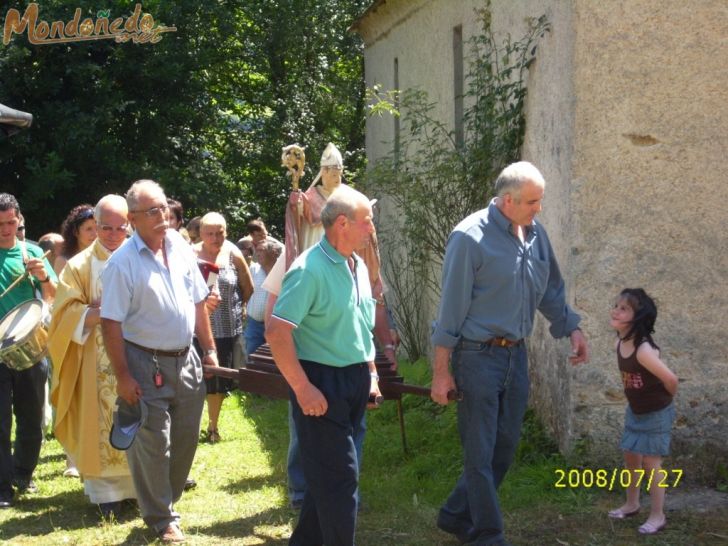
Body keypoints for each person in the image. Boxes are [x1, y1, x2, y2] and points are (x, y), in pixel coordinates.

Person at [430, 161, 589, 546]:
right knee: (480, 451)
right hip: (476, 357)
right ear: (506, 201)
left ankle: (455, 513)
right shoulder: (469, 238)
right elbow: (450, 310)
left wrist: (571, 327)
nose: (539, 209)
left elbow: (550, 289)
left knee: (504, 447)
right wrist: (441, 370)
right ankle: (488, 534)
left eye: (540, 201)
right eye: (532, 202)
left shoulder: (536, 236)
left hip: (515, 357)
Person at [100, 180, 218, 542]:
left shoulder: (180, 247)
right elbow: (110, 322)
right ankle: (162, 517)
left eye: (164, 207)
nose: (163, 216)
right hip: (142, 361)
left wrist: (210, 349)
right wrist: (123, 375)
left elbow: (198, 302)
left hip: (187, 360)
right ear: (133, 219)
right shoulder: (122, 263)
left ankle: (165, 500)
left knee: (185, 439)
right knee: (153, 442)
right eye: (152, 211)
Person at [266, 185, 381, 546]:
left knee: (327, 479)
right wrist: (302, 388)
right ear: (342, 223)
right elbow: (276, 331)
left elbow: (362, 325)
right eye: (367, 222)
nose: (372, 230)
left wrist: (372, 374)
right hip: (321, 382)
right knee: (341, 478)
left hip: (355, 379)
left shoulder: (358, 264)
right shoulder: (308, 269)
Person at [48, 195, 136, 519]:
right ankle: (106, 493)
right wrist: (99, 313)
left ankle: (138, 488)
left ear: (129, 225)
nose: (113, 235)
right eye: (105, 228)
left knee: (136, 415)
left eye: (120, 228)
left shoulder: (140, 258)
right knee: (101, 419)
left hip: (136, 354)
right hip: (94, 359)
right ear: (94, 226)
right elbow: (64, 313)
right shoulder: (79, 265)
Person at [0, 193, 57, 508]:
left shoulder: (31, 251)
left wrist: (44, 275)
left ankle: (23, 473)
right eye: (0, 225)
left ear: (19, 220)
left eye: (11, 223)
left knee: (32, 417)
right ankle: (2, 485)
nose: (6, 230)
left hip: (31, 345)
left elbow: (54, 295)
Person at [607, 288, 677, 535]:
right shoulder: (619, 342)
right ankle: (632, 503)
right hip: (635, 411)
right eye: (615, 305)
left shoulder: (644, 350)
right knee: (631, 456)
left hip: (656, 412)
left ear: (638, 318)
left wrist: (665, 400)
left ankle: (658, 515)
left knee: (651, 462)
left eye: (623, 308)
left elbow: (671, 379)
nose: (615, 310)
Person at [193, 212, 253, 442]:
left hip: (227, 328)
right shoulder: (191, 254)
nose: (216, 238)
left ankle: (213, 426)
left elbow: (248, 287)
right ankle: (192, 424)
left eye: (220, 233)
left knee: (218, 381)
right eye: (210, 233)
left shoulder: (233, 253)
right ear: (201, 233)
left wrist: (237, 309)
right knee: (196, 378)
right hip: (197, 328)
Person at [245, 240, 281, 357]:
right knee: (251, 359)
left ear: (274, 253)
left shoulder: (283, 271)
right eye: (257, 250)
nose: (258, 254)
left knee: (274, 360)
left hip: (276, 326)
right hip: (254, 325)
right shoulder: (253, 270)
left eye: (262, 250)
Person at [54, 204, 97, 275]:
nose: (95, 234)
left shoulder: (105, 258)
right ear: (75, 232)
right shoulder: (63, 262)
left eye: (97, 228)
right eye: (89, 229)